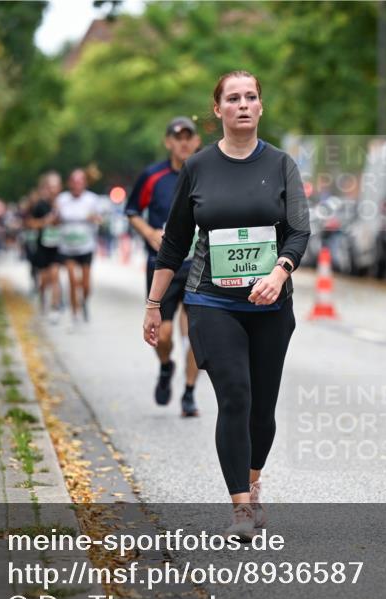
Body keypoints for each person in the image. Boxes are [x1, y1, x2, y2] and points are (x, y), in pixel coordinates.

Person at [143, 71, 310, 538]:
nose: (242, 104)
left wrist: (279, 273)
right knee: (235, 395)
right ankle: (239, 505)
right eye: (232, 98)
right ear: (217, 110)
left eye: (251, 97)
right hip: (211, 300)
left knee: (263, 406)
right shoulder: (197, 167)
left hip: (271, 306)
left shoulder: (281, 165)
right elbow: (174, 241)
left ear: (261, 107)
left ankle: (254, 482)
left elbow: (299, 230)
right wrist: (155, 304)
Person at [127, 116, 202, 416]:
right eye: (177, 137)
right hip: (163, 265)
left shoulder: (206, 173)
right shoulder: (153, 175)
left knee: (197, 334)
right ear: (168, 142)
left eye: (189, 137)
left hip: (199, 265)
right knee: (165, 335)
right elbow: (131, 210)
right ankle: (166, 365)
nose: (183, 142)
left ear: (196, 141)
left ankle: (189, 393)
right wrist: (148, 233)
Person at [55, 169, 101, 331]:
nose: (76, 184)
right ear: (69, 183)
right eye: (74, 181)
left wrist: (93, 218)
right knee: (73, 281)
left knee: (86, 285)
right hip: (67, 247)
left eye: (80, 181)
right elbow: (56, 219)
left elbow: (100, 219)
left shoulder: (92, 199)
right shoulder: (62, 199)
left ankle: (84, 301)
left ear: (84, 183)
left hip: (86, 246)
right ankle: (75, 316)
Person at [30, 173, 64, 320]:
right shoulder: (40, 205)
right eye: (50, 186)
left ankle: (55, 307)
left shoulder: (63, 203)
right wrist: (46, 221)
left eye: (55, 186)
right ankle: (42, 297)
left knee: (55, 276)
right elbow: (31, 224)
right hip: (43, 246)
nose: (53, 189)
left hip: (57, 246)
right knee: (44, 280)